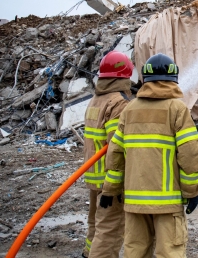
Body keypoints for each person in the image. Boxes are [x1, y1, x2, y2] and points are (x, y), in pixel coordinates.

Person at [100, 53, 198, 257]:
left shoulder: (130, 110)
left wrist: (109, 189)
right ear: (174, 77)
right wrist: (192, 192)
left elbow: (116, 154)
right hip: (167, 203)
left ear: (144, 79)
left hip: (134, 202)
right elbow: (190, 156)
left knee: (135, 251)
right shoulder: (177, 109)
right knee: (169, 252)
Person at [82, 51, 134, 258]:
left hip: (94, 174)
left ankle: (88, 252)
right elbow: (118, 144)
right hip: (110, 176)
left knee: (96, 221)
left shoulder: (96, 100)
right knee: (110, 228)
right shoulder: (119, 103)